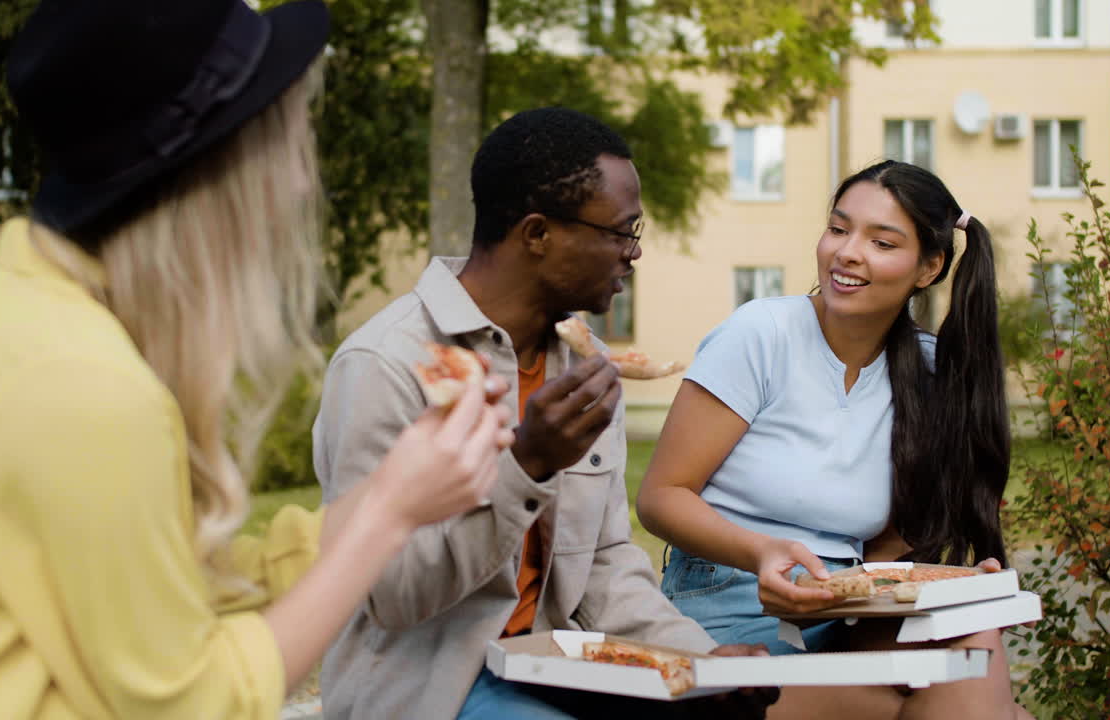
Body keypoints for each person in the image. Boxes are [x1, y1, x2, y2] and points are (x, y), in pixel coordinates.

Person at [0, 2, 511, 718]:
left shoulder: (11, 312)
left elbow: (174, 587)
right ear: (216, 172)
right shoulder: (81, 386)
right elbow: (192, 705)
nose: (300, 186)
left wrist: (397, 487)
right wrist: (389, 514)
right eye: (286, 149)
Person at [314, 107, 774, 720]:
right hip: (429, 691)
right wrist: (526, 464)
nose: (634, 253)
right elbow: (391, 595)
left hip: (557, 672)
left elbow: (605, 564)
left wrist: (700, 661)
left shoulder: (582, 368)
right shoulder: (387, 363)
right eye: (621, 231)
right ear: (537, 234)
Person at [637, 159, 1034, 719]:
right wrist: (761, 554)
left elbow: (890, 545)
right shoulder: (761, 334)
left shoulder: (927, 372)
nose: (847, 252)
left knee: (973, 638)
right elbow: (661, 497)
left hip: (845, 613)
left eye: (881, 242)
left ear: (929, 268)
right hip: (729, 603)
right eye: (838, 229)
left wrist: (952, 589)